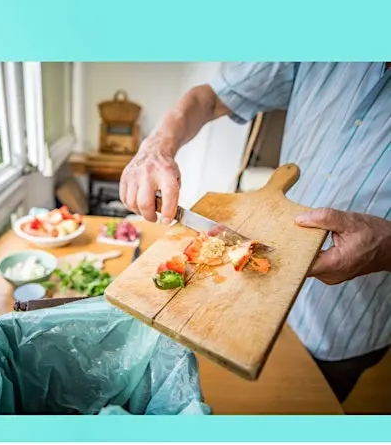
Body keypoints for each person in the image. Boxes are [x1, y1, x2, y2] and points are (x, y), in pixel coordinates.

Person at [120, 62, 391, 403]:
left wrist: (386, 246)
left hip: (344, 322)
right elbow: (208, 98)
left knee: (300, 410)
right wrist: (155, 146)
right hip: (248, 306)